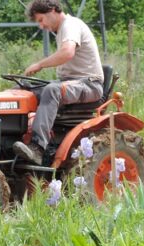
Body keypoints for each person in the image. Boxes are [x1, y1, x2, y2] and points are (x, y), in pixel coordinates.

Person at [13, 0, 104, 165]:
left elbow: (67, 53)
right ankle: (15, 138)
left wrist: (40, 64)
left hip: (89, 84)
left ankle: (37, 148)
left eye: (41, 20)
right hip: (73, 83)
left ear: (53, 10)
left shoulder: (71, 25)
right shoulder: (62, 30)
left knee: (52, 90)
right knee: (22, 89)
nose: (41, 26)